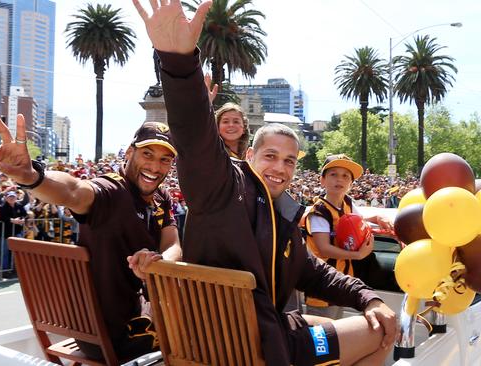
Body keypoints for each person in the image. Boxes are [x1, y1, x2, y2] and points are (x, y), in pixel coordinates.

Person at [132, 2, 397, 365]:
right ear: (250, 156)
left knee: (368, 316)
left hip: (245, 337)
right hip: (257, 348)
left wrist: (369, 297)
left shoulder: (282, 212)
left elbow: (311, 271)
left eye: (289, 160)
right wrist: (178, 62)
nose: (280, 167)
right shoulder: (223, 187)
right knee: (383, 332)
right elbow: (194, 136)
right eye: (270, 156)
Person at [0, 109, 181, 361]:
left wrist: (160, 262)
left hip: (108, 326)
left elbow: (173, 243)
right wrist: (32, 177)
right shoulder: (110, 190)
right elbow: (74, 190)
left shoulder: (161, 197)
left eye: (165, 160)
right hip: (117, 335)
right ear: (130, 153)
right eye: (147, 154)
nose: (155, 166)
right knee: (203, 331)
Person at [301, 154, 394, 319]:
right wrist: (357, 255)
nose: (340, 179)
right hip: (322, 284)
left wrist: (377, 218)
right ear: (322, 180)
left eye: (345, 176)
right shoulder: (319, 212)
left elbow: (357, 221)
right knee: (323, 334)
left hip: (342, 281)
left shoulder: (348, 203)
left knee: (337, 329)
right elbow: (324, 248)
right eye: (333, 174)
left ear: (351, 183)